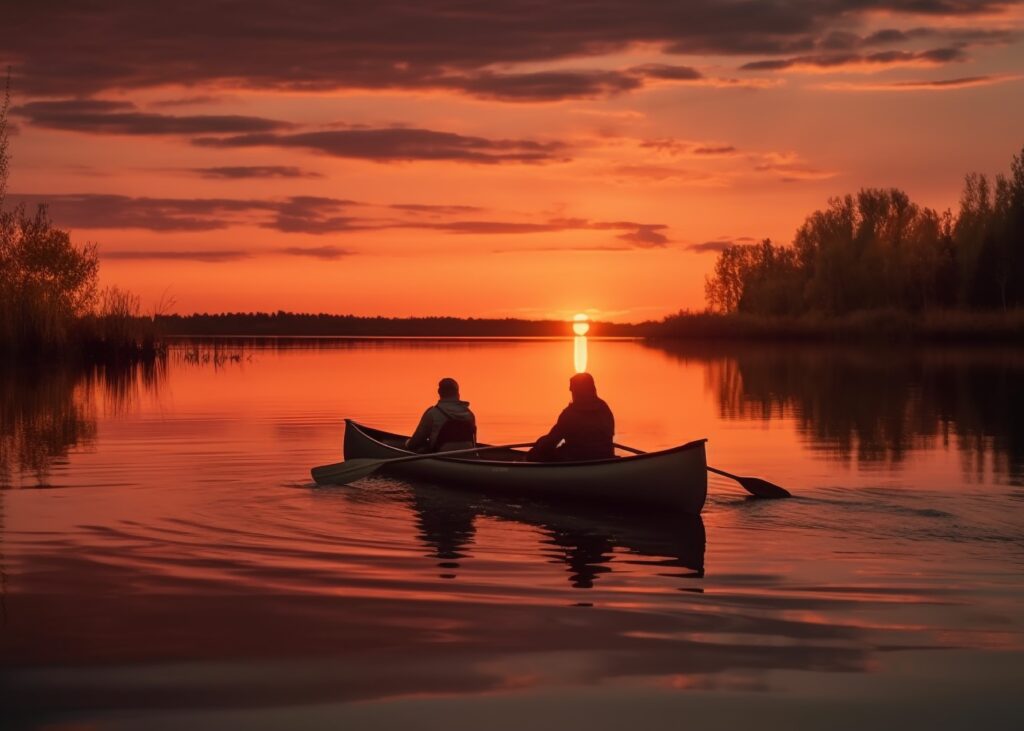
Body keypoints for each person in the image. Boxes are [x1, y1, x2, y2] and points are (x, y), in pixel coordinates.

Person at [528, 372, 615, 462]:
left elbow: (552, 441)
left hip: (575, 459)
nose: (571, 392)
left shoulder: (570, 414)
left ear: (578, 390)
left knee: (538, 454)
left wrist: (537, 447)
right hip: (605, 457)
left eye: (572, 389)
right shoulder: (604, 408)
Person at [406, 377, 478, 453]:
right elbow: (474, 442)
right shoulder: (470, 414)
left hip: (440, 455)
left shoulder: (432, 413)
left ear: (439, 392)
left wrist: (407, 443)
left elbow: (416, 442)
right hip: (468, 455)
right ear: (458, 394)